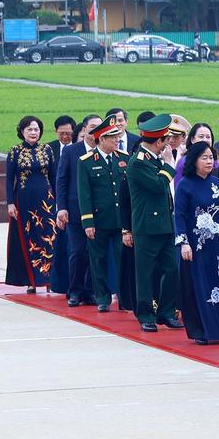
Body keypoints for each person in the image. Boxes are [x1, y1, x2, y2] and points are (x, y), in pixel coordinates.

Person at [175, 141, 219, 345]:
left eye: (211, 157)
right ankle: (202, 330)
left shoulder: (217, 183)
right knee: (200, 286)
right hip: (197, 246)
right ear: (194, 160)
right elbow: (180, 216)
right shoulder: (185, 184)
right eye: (205, 157)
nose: (210, 161)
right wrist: (183, 242)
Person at [126, 114, 183, 333]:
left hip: (165, 225)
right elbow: (159, 185)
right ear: (158, 141)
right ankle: (146, 314)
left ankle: (166, 311)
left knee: (171, 270)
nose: (168, 144)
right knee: (146, 273)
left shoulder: (153, 159)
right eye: (165, 141)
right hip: (147, 226)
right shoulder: (138, 162)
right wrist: (170, 166)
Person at [77, 118, 129, 312]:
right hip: (99, 220)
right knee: (98, 261)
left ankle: (124, 297)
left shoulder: (123, 157)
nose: (117, 140)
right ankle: (102, 297)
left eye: (117, 136)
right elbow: (85, 193)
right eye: (112, 137)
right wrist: (88, 221)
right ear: (101, 138)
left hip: (120, 220)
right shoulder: (86, 162)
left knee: (122, 259)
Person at [5, 116, 58, 293]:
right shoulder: (15, 151)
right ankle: (30, 280)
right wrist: (10, 203)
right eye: (29, 129)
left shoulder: (47, 150)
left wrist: (59, 202)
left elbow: (53, 177)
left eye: (36, 129)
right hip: (24, 201)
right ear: (22, 131)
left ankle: (50, 278)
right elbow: (9, 179)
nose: (33, 133)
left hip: (46, 201)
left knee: (48, 237)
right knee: (28, 238)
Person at [58, 115, 101, 307]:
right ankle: (74, 291)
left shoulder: (105, 150)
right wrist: (62, 207)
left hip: (98, 210)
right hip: (75, 210)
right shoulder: (71, 151)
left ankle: (90, 291)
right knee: (77, 251)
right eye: (92, 127)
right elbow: (62, 180)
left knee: (94, 253)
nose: (95, 131)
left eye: (99, 127)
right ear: (84, 129)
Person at [47, 115, 78, 295]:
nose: (65, 137)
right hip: (52, 203)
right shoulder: (49, 149)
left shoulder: (77, 150)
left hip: (70, 204)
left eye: (68, 133)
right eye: (62, 133)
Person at [174, 122, 214, 190]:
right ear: (192, 139)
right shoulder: (183, 162)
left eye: (208, 137)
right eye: (201, 136)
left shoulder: (216, 161)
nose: (205, 140)